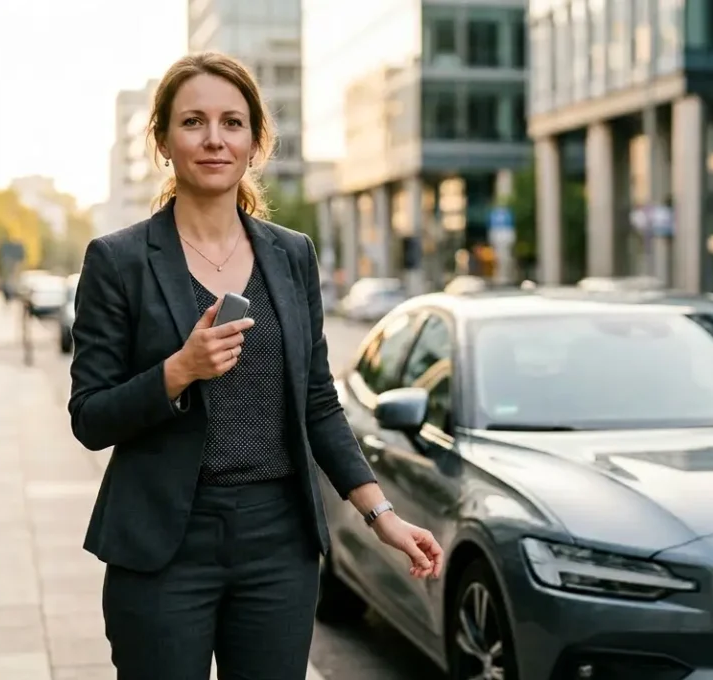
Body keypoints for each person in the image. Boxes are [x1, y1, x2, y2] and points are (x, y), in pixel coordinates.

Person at [66, 52, 444, 680]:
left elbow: (318, 402)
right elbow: (89, 417)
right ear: (162, 139)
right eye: (193, 121)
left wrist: (382, 515)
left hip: (278, 541)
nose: (214, 138)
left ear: (255, 141)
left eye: (232, 123)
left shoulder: (292, 255)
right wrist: (178, 370)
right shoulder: (118, 259)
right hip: (164, 543)